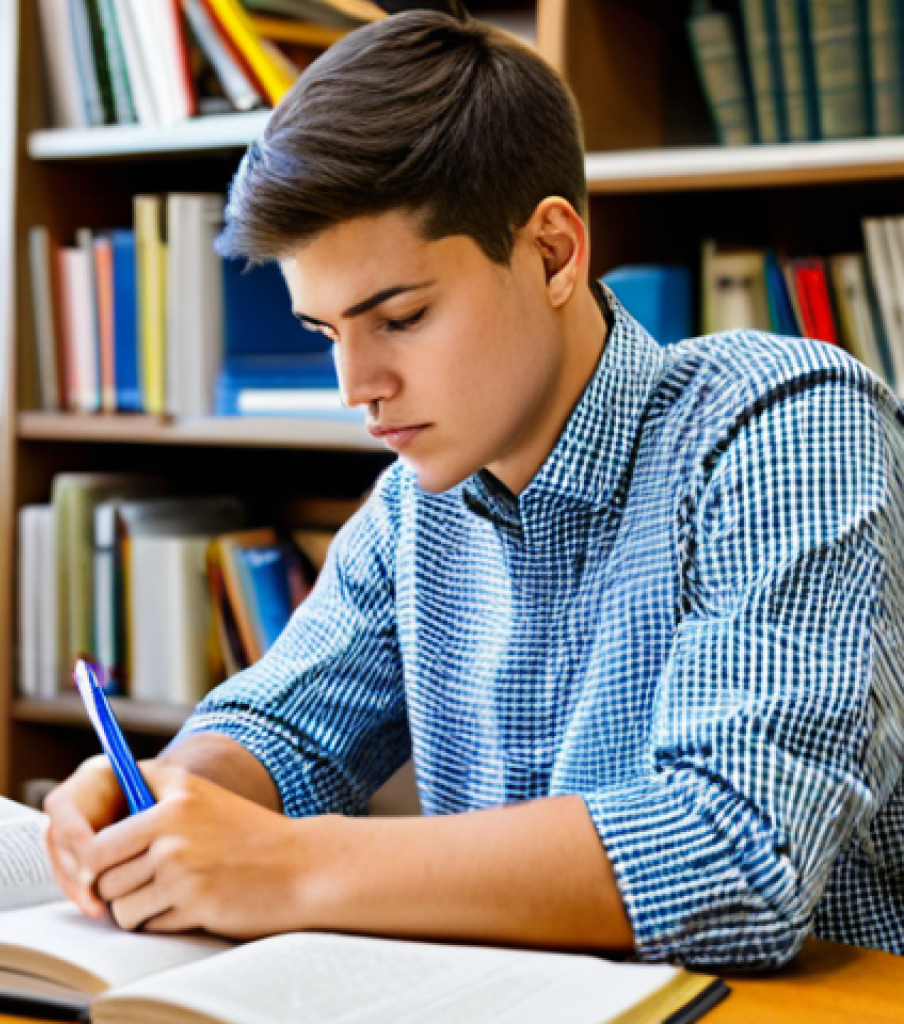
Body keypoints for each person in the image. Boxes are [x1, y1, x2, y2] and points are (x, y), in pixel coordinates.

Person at [44, 9, 904, 967]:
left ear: (553, 253)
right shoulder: (418, 499)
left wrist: (288, 866)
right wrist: (166, 791)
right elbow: (284, 726)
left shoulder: (784, 424)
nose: (354, 389)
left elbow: (739, 851)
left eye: (400, 317)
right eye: (327, 333)